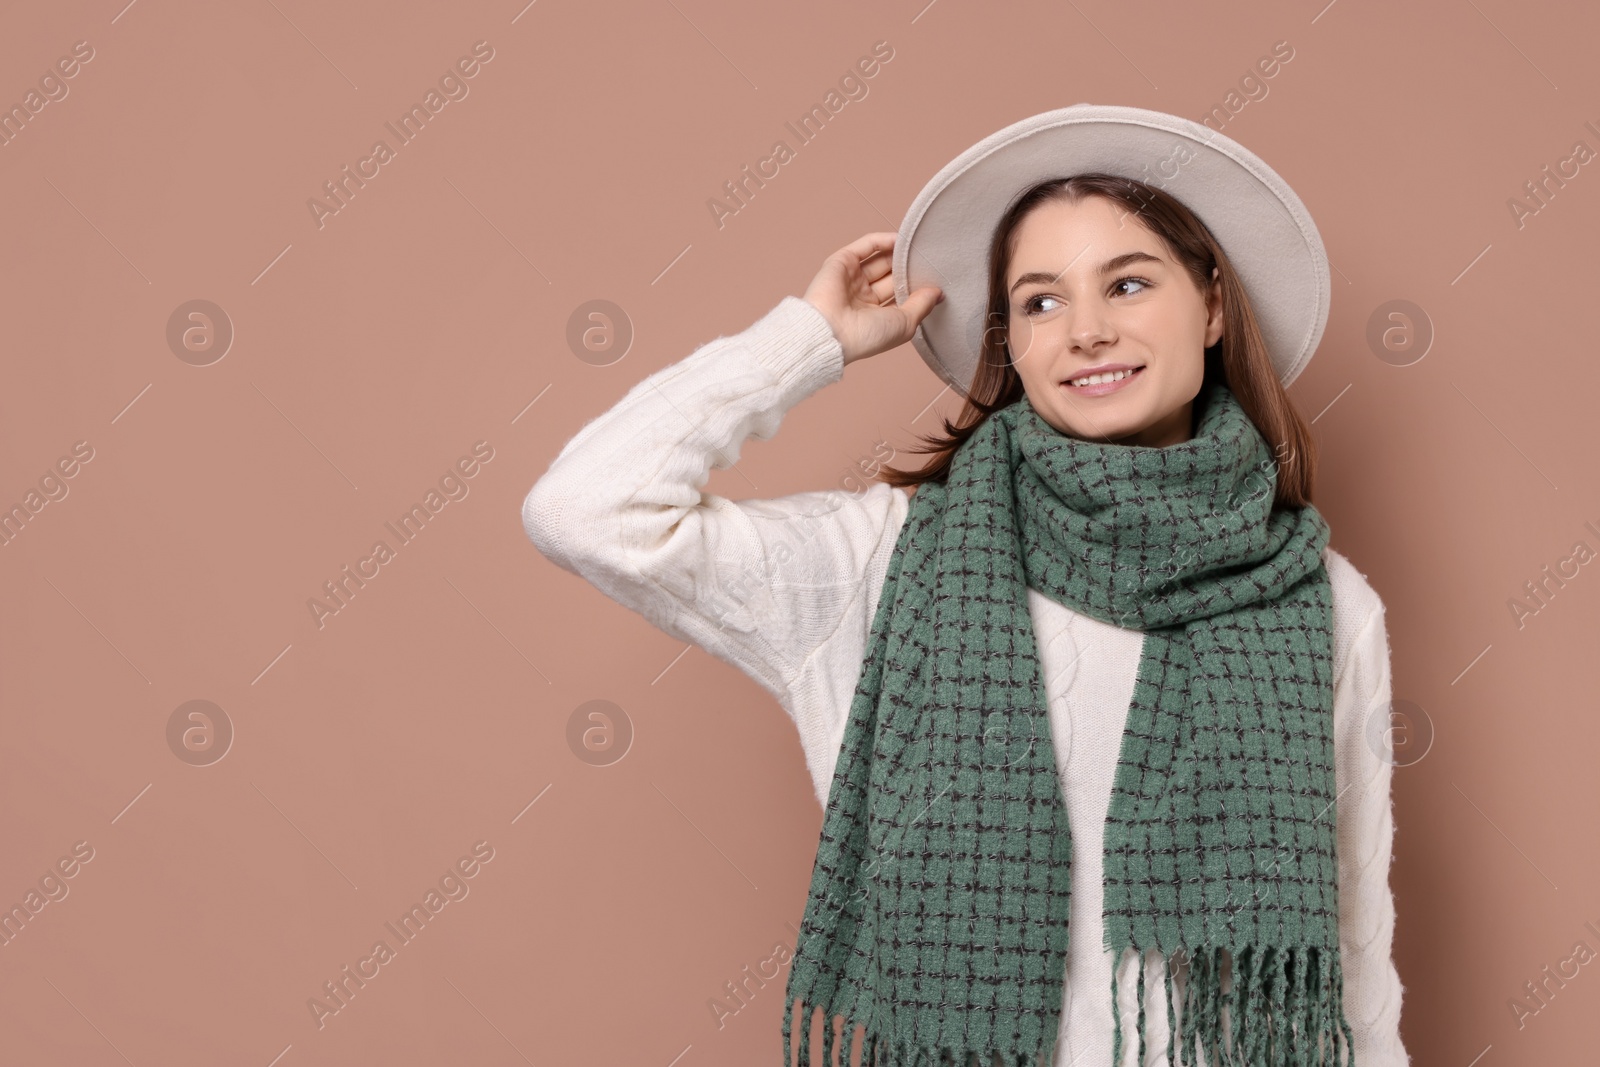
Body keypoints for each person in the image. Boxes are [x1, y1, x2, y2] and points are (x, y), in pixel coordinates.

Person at [523, 105, 1408, 1066]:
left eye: (1129, 282)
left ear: (1212, 307)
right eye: (1040, 302)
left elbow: (1351, 949)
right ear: (1013, 348)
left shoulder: (1319, 601)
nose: (1087, 331)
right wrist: (808, 340)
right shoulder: (879, 561)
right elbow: (586, 507)